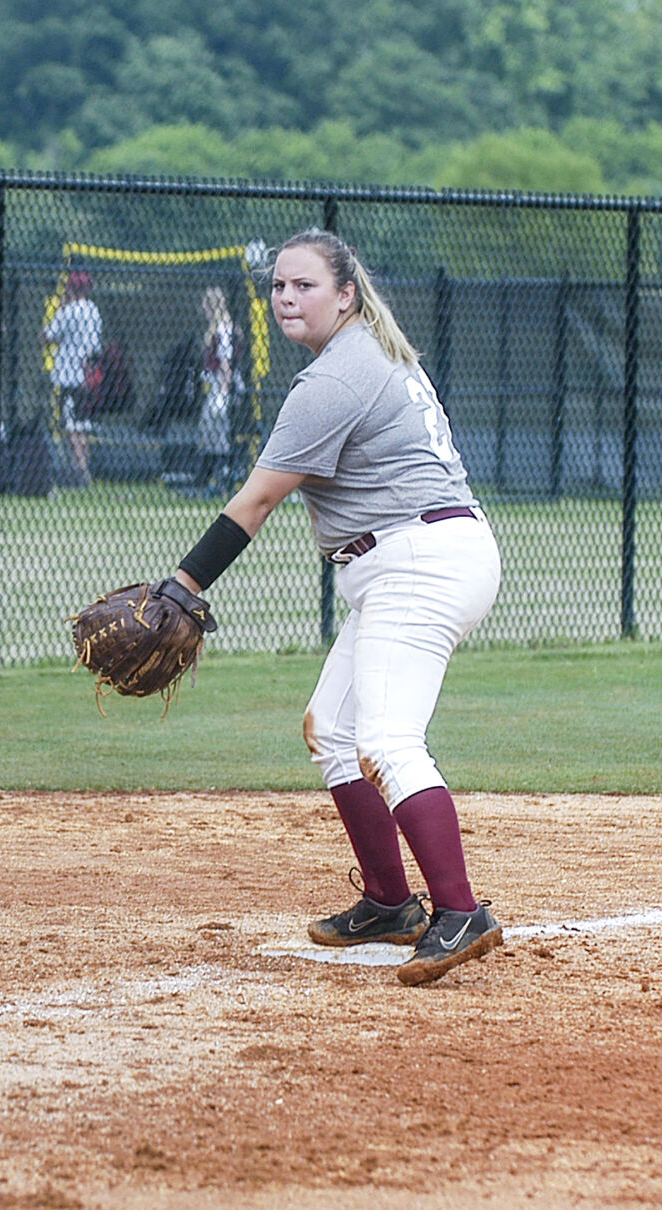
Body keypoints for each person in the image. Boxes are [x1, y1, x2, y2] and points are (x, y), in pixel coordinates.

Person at [167, 227, 503, 986]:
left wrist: (182, 584)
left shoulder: (335, 379)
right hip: (419, 555)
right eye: (278, 286)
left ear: (345, 294)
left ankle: (460, 912)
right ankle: (389, 902)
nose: (286, 297)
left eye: (304, 286)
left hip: (417, 562)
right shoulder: (365, 355)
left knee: (385, 740)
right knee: (334, 731)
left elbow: (255, 503)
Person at [41, 269, 101, 485]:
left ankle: (80, 471)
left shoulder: (69, 310)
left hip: (69, 376)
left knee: (72, 425)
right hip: (87, 376)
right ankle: (83, 467)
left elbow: (47, 336)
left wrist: (59, 308)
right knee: (82, 424)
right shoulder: (93, 310)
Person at [194, 285, 241, 493]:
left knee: (219, 433)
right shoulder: (217, 328)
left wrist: (223, 390)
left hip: (221, 384)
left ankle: (222, 477)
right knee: (209, 433)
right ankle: (210, 478)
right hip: (214, 383)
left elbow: (225, 363)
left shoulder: (223, 328)